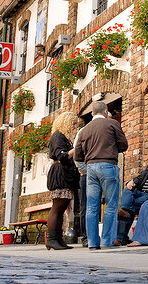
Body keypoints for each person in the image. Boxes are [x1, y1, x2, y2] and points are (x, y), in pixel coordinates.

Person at [74, 101, 128, 249]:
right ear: (105, 112)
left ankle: (92, 243)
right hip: (108, 165)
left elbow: (77, 155)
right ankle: (107, 241)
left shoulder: (84, 130)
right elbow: (124, 145)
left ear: (92, 113)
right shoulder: (112, 124)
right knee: (110, 206)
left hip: (91, 168)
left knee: (92, 207)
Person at [46, 112, 82, 250]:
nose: (74, 126)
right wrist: (77, 148)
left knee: (61, 209)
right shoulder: (57, 136)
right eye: (72, 123)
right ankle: (51, 239)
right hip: (60, 174)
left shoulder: (62, 137)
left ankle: (58, 239)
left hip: (65, 173)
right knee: (57, 208)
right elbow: (62, 156)